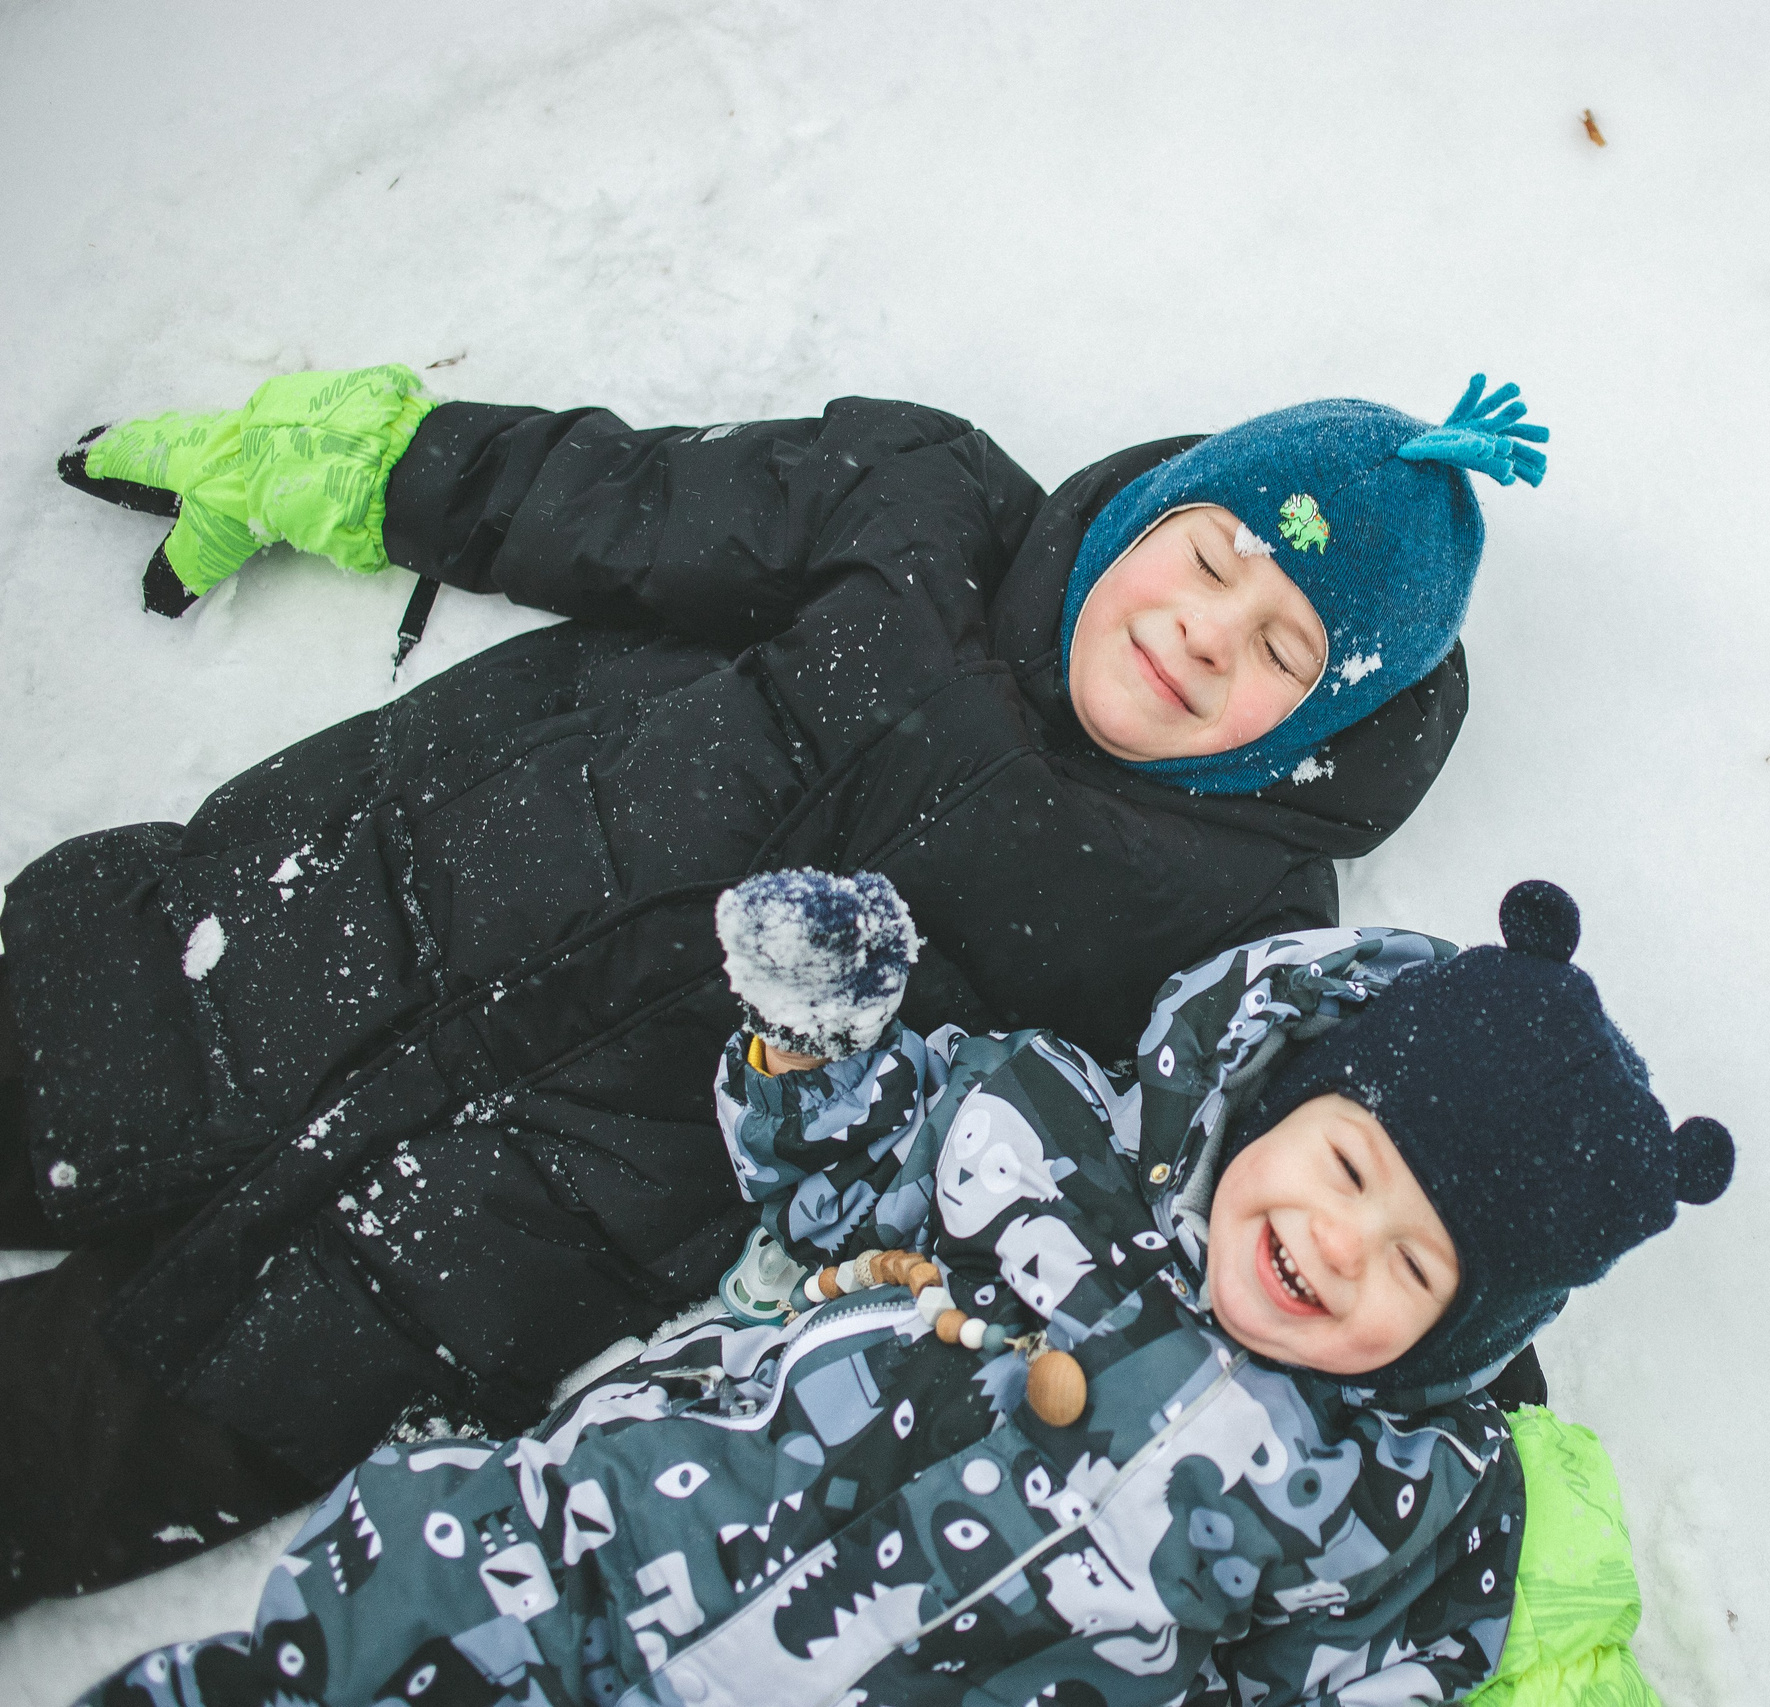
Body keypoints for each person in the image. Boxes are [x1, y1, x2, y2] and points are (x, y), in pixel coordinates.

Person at [0, 367, 1552, 1609]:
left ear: (1316, 729)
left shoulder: (1230, 926)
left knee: (64, 1449)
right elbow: (608, 501)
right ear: (1146, 511)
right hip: (276, 941)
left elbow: (1315, 1148)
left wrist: (1498, 1396)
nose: (1201, 635)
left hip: (487, 1251)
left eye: (1284, 649)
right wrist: (363, 466)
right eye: (1208, 557)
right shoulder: (924, 510)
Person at [75, 872, 1730, 1707]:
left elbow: (1381, 1666)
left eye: (1418, 1269)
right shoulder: (1047, 1139)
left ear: (1465, 1339)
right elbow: (843, 1160)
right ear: (1284, 1087)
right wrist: (818, 1038)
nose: (1339, 1248)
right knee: (370, 1642)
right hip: (608, 1551)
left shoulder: (1389, 1497)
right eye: (1351, 1169)